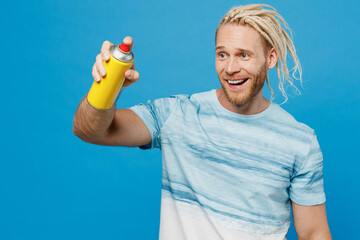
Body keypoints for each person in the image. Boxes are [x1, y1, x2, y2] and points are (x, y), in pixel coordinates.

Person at [73, 4, 332, 240]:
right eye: (222, 55)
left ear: (271, 58)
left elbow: (314, 233)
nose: (230, 68)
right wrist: (107, 86)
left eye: (243, 55)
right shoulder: (178, 114)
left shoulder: (299, 141)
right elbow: (89, 131)